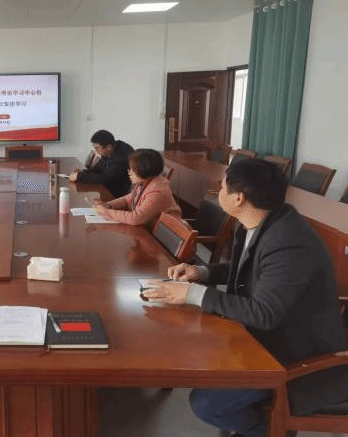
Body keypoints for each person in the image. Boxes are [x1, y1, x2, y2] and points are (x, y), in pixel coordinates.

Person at [143, 158, 348, 437]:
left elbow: (264, 313)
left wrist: (192, 294)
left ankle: (274, 431)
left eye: (223, 186)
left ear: (238, 198)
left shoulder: (289, 241)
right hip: (263, 340)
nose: (219, 189)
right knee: (195, 357)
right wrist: (201, 273)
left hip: (296, 357)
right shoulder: (259, 222)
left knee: (207, 404)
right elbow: (246, 269)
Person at [92, 148, 181, 227]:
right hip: (149, 229)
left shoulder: (157, 191)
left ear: (145, 169)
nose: (129, 172)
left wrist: (106, 212)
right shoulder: (144, 181)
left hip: (163, 236)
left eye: (133, 169)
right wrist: (108, 205)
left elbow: (135, 218)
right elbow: (127, 199)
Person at [69, 130, 133, 197]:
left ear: (108, 147)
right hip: (106, 188)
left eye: (97, 147)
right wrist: (83, 172)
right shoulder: (110, 150)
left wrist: (80, 177)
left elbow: (106, 178)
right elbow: (98, 168)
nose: (95, 150)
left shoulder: (121, 156)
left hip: (116, 195)